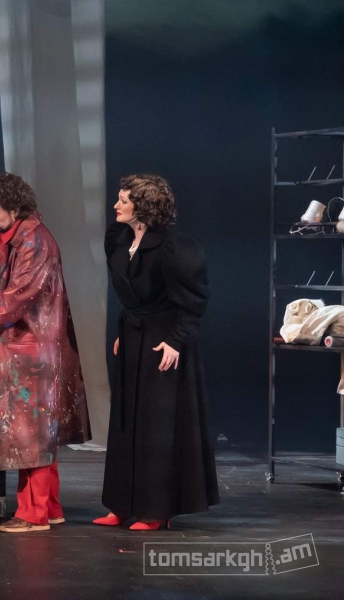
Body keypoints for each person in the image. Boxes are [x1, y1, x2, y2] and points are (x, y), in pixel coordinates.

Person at [0, 172, 91, 533]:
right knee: (39, 435)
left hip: (32, 351)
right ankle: (49, 508)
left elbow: (12, 301)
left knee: (32, 437)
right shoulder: (19, 238)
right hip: (28, 347)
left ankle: (33, 514)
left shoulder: (34, 243)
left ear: (15, 208)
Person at [94, 174, 218, 531]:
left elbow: (193, 301)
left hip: (165, 340)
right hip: (134, 335)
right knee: (126, 421)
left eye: (123, 200)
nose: (115, 205)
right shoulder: (119, 238)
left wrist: (177, 341)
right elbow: (129, 292)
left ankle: (155, 510)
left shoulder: (174, 248)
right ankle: (122, 504)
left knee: (156, 427)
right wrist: (126, 332)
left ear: (144, 206)